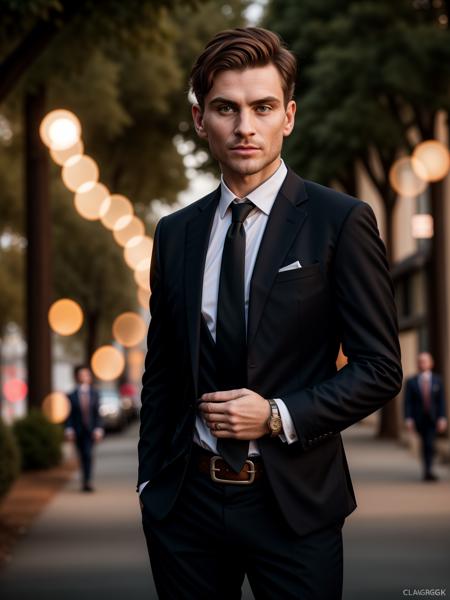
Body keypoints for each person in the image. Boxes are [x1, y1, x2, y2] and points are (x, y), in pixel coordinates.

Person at [137, 26, 403, 600]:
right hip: (186, 508)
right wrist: (149, 483)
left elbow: (379, 367)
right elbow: (161, 371)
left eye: (261, 107)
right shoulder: (176, 234)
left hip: (294, 506)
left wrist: (279, 415)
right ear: (199, 118)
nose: (244, 126)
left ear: (288, 116)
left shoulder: (340, 221)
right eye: (225, 108)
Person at [404, 352, 447, 481]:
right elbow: (408, 402)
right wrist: (408, 418)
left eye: (425, 361)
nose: (423, 363)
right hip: (419, 418)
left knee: (429, 444)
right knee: (425, 444)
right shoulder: (411, 381)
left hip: (433, 418)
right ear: (417, 364)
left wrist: (442, 417)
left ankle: (428, 470)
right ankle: (428, 469)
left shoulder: (437, 380)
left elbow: (441, 401)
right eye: (420, 361)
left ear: (431, 363)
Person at [64, 365, 104, 492]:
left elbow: (97, 413)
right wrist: (69, 429)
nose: (84, 377)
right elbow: (69, 414)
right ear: (77, 377)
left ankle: (87, 481)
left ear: (90, 377)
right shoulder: (71, 395)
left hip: (91, 431)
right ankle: (85, 479)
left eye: (86, 374)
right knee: (82, 455)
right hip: (77, 431)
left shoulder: (95, 394)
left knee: (88, 454)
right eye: (81, 375)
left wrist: (99, 429)